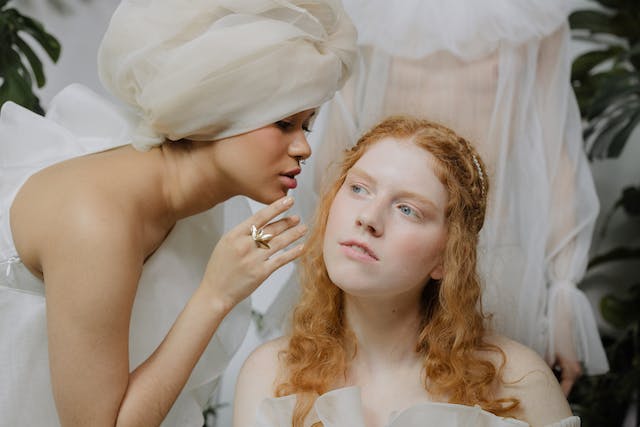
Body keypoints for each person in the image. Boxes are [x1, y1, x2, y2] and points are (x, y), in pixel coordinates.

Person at [0, 0, 356, 425]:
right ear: (214, 112)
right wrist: (216, 293)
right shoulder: (97, 222)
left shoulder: (191, 196)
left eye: (308, 125)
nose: (304, 148)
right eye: (284, 124)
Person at [261, 0, 608, 396]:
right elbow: (339, 142)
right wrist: (320, 247)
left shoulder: (532, 14)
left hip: (491, 249)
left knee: (484, 393)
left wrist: (563, 293)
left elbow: (555, 154)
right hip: (382, 241)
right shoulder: (367, 11)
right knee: (348, 387)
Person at [233, 116, 580, 427]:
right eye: (358, 188)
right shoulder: (271, 375)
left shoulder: (519, 380)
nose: (368, 218)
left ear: (447, 258)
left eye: (407, 209)